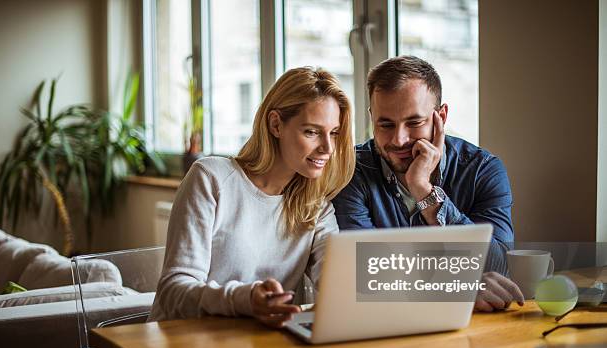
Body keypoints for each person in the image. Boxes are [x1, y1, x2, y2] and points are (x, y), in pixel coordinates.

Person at [149, 67, 355, 328]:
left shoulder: (317, 208)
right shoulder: (211, 179)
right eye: (312, 132)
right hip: (182, 345)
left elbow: (335, 283)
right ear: (275, 124)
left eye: (334, 133)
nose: (328, 148)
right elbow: (173, 292)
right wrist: (244, 299)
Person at [332, 56, 523, 312]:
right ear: (371, 117)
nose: (399, 140)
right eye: (385, 124)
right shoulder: (351, 170)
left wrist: (423, 189)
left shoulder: (482, 170)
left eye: (414, 123)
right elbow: (362, 273)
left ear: (440, 116)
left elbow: (498, 267)